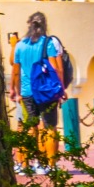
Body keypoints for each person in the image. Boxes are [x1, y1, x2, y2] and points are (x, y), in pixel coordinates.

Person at [8, 13, 73, 175]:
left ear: (28, 25)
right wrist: (61, 88)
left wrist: (14, 90)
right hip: (45, 91)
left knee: (30, 127)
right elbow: (56, 68)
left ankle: (26, 165)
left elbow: (15, 70)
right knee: (50, 127)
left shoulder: (20, 45)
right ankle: (49, 164)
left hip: (26, 92)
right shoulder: (48, 43)